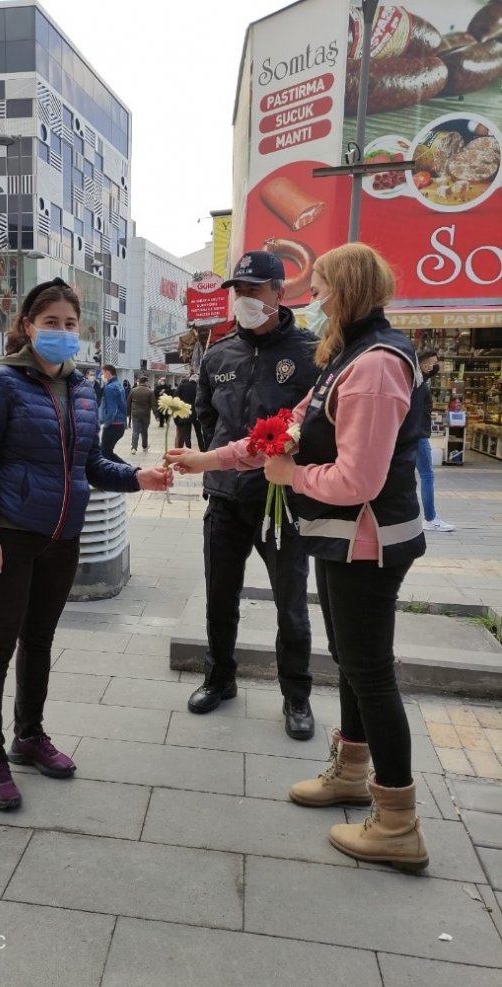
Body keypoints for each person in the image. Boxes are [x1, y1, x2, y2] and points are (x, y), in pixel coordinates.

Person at [168, 243, 429, 870]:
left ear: (350, 291)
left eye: (325, 287)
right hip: (342, 539)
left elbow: (357, 481)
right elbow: (277, 435)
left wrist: (291, 477)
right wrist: (207, 459)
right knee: (351, 661)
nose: (318, 298)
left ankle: (396, 822)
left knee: (370, 673)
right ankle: (350, 772)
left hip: (367, 538)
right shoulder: (347, 359)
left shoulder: (373, 366)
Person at [0, 278, 171, 810]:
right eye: (50, 322)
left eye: (70, 324)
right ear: (28, 326)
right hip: (10, 536)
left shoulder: (82, 387)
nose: (61, 332)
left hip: (62, 538)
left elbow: (87, 463)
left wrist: (135, 477)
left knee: (39, 641)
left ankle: (28, 735)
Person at [167, 250, 318, 739]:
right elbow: (208, 418)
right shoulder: (218, 354)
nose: (245, 299)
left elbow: (316, 427)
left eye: (255, 289)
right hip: (226, 498)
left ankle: (296, 694)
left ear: (279, 292)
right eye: (239, 290)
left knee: (291, 603)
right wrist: (216, 465)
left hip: (281, 504)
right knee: (220, 596)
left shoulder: (311, 352)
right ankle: (219, 678)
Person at [416, 350, 454, 532]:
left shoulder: (417, 379)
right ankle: (430, 518)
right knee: (427, 475)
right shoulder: (419, 384)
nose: (435, 366)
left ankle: (425, 517)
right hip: (417, 436)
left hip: (413, 435)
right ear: (424, 365)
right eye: (433, 362)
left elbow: (432, 371)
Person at [99, 363, 127, 464]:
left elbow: (112, 409)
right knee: (107, 452)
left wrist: (105, 423)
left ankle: (129, 471)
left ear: (107, 372)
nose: (102, 376)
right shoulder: (119, 385)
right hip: (120, 424)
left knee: (104, 452)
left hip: (113, 425)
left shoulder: (110, 387)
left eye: (102, 373)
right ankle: (128, 471)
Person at [127, 375, 154, 454]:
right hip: (145, 414)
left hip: (135, 413)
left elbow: (128, 402)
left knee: (135, 431)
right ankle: (144, 447)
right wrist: (157, 415)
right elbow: (153, 404)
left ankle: (134, 448)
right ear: (146, 382)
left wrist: (128, 413)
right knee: (144, 431)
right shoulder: (150, 391)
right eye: (148, 381)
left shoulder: (133, 390)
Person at [174, 372, 200, 449]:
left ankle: (188, 449)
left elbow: (176, 399)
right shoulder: (199, 387)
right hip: (197, 414)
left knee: (187, 435)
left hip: (185, 413)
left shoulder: (182, 387)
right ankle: (203, 450)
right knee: (199, 435)